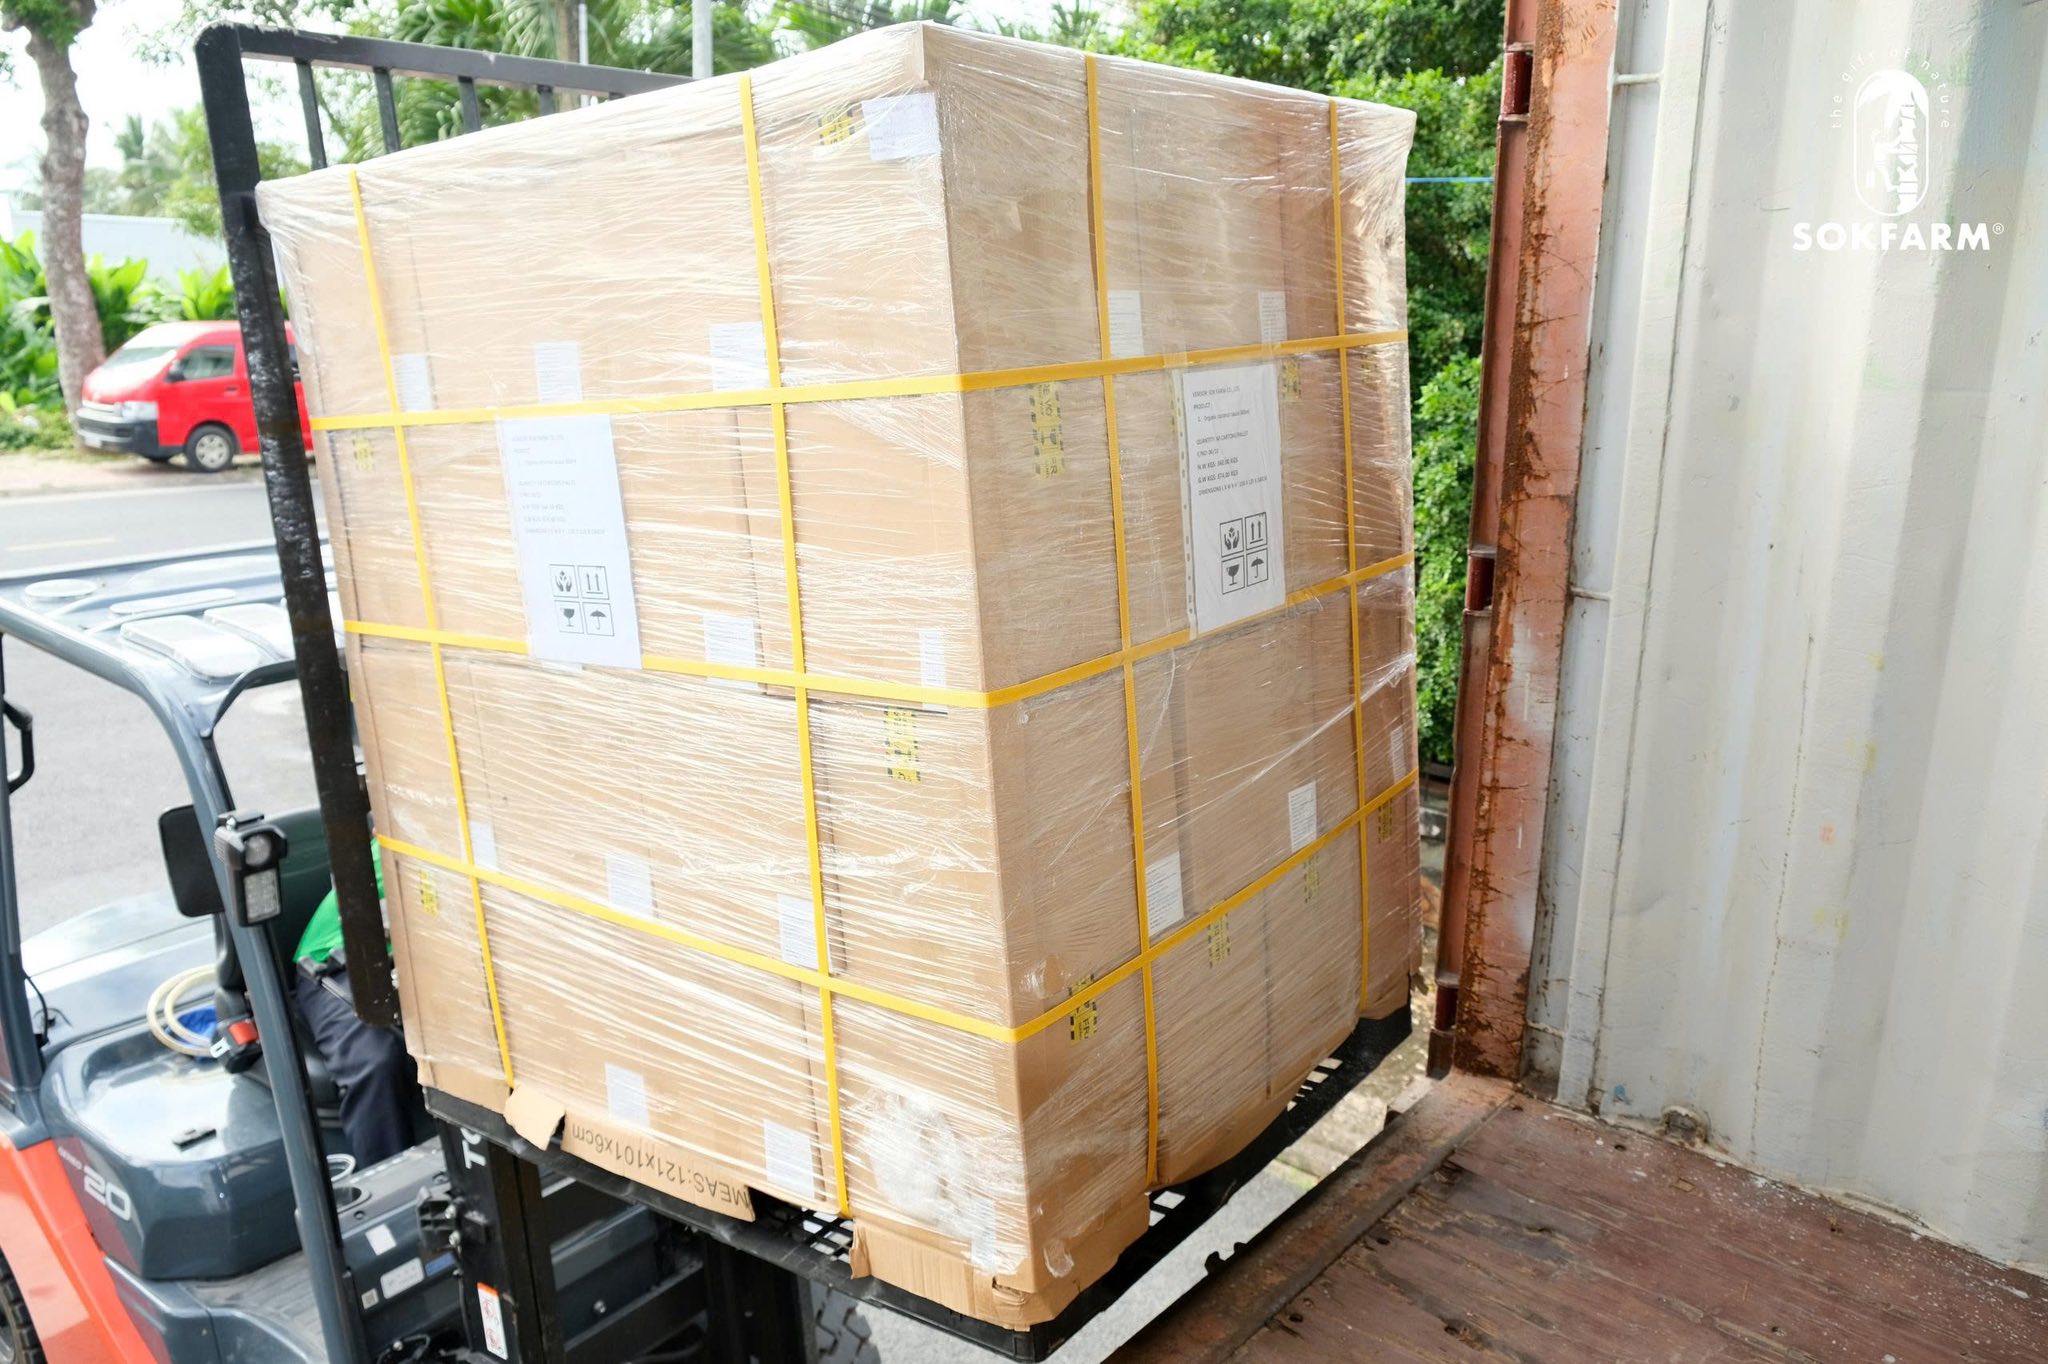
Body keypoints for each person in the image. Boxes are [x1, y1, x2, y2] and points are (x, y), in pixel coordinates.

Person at [292, 840, 419, 1167]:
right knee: (376, 1062)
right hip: (340, 961)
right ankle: (388, 1178)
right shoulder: (407, 837)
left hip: (416, 956)